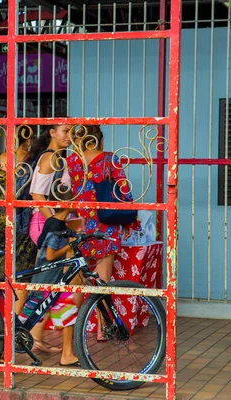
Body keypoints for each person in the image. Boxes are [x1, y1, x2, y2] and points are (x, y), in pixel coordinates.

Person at [66, 125, 138, 339]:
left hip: (77, 221)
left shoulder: (72, 161)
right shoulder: (109, 159)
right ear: (100, 140)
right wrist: (130, 221)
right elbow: (123, 189)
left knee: (77, 278)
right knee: (102, 279)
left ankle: (70, 331)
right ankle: (101, 329)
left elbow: (67, 191)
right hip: (103, 223)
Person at [24, 123, 73, 353]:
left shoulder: (58, 158)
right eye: (65, 131)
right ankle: (30, 335)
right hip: (46, 224)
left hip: (51, 223)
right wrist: (54, 224)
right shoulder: (50, 158)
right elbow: (37, 195)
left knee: (50, 283)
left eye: (73, 132)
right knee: (46, 283)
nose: (69, 136)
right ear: (52, 132)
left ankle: (35, 336)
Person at [0, 128, 37, 317]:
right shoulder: (31, 159)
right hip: (24, 219)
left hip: (2, 219)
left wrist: (2, 206)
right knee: (23, 271)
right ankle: (12, 321)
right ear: (27, 138)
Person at [20, 190, 80, 366]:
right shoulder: (56, 226)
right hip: (46, 280)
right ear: (69, 204)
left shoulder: (57, 222)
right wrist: (68, 246)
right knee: (28, 317)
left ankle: (68, 354)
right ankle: (2, 347)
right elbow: (50, 255)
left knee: (67, 311)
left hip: (54, 280)